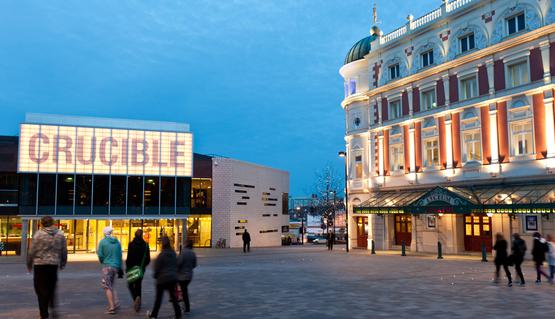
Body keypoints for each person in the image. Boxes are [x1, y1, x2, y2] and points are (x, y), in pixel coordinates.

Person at [26, 216, 68, 319]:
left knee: (40, 289)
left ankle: (44, 314)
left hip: (40, 265)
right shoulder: (60, 234)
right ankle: (52, 305)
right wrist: (63, 262)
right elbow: (64, 250)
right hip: (53, 265)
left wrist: (29, 263)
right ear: (52, 223)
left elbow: (32, 250)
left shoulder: (38, 234)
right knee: (51, 287)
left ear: (42, 223)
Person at [147, 236, 182, 319]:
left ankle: (154, 315)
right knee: (173, 298)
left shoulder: (161, 255)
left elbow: (157, 267)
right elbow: (177, 264)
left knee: (158, 299)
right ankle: (178, 315)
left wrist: (155, 275)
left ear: (162, 245)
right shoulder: (173, 254)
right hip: (172, 278)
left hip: (162, 279)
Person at [97, 226, 123, 315]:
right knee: (111, 284)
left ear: (104, 233)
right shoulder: (117, 242)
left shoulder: (102, 242)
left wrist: (102, 261)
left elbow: (100, 254)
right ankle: (116, 302)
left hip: (107, 266)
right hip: (115, 266)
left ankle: (112, 307)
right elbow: (120, 255)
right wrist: (120, 267)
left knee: (107, 286)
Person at [126, 229, 150, 313]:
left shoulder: (131, 244)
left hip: (132, 268)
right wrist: (143, 266)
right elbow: (148, 259)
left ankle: (136, 298)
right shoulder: (146, 245)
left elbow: (128, 258)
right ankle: (138, 301)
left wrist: (127, 267)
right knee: (139, 285)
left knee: (130, 284)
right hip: (141, 269)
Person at [177, 240, 197, 314]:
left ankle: (185, 307)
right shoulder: (193, 253)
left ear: (186, 245)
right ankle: (185, 306)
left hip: (182, 276)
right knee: (184, 290)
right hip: (189, 276)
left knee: (183, 291)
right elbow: (194, 265)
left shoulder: (183, 253)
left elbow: (178, 263)